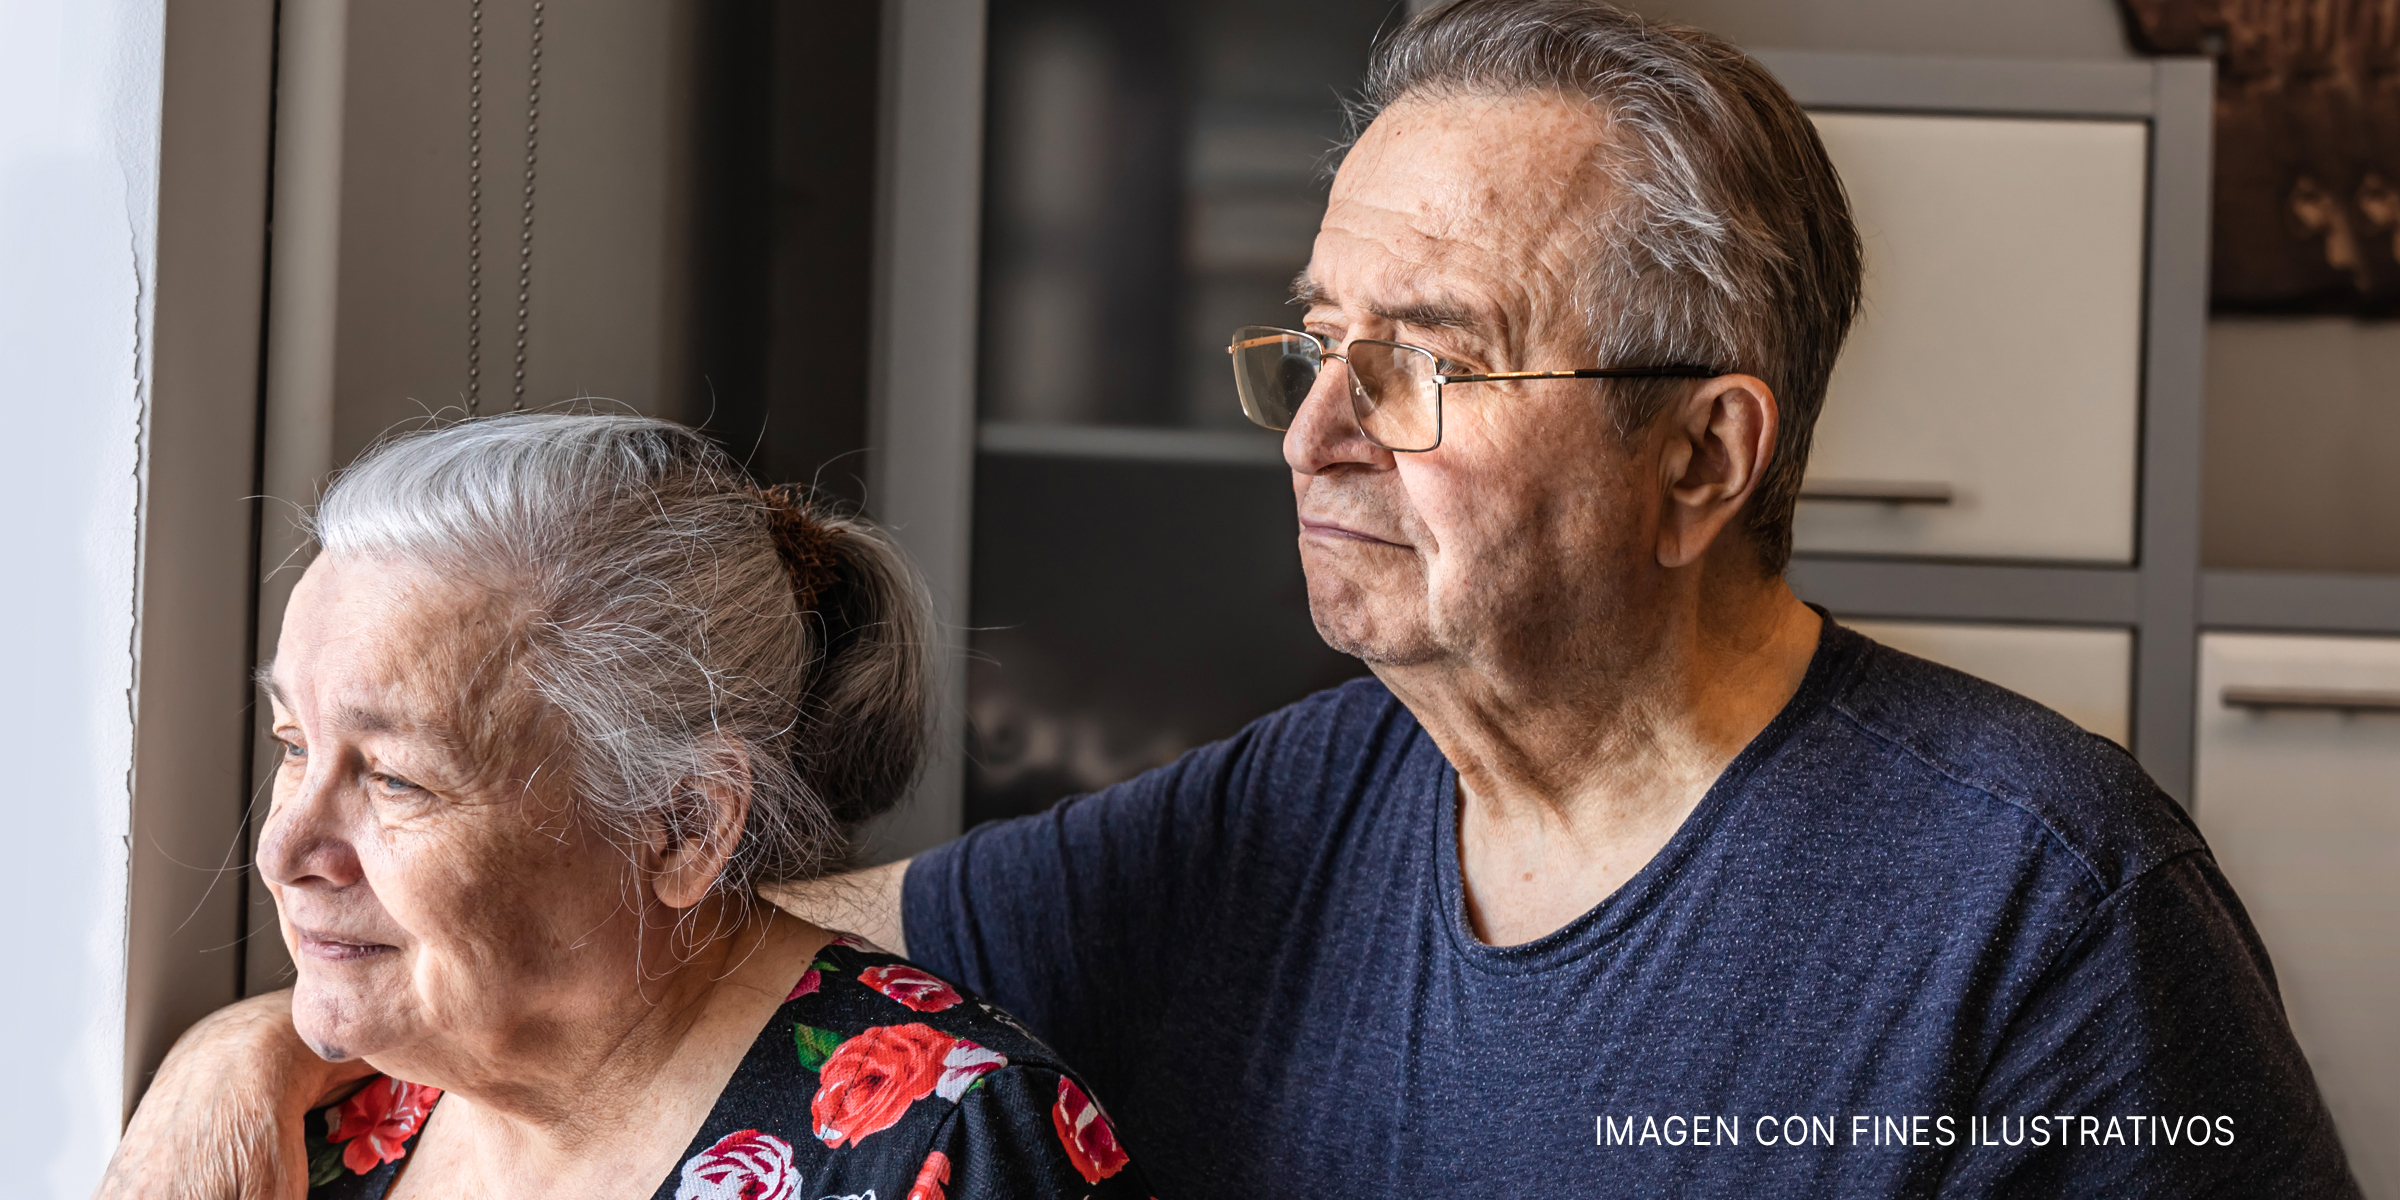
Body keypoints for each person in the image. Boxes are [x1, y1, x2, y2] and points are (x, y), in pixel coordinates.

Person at [108, 2, 2360, 1197]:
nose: (1313, 433)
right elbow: (699, 930)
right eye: (1313, 344)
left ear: (1704, 459)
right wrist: (266, 1043)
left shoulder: (2044, 909)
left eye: (1434, 360)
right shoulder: (1294, 820)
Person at [101, 415, 1149, 1199]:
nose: (285, 849)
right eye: (295, 746)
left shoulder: (946, 1147)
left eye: (394, 778)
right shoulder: (317, 1127)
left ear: (685, 826)